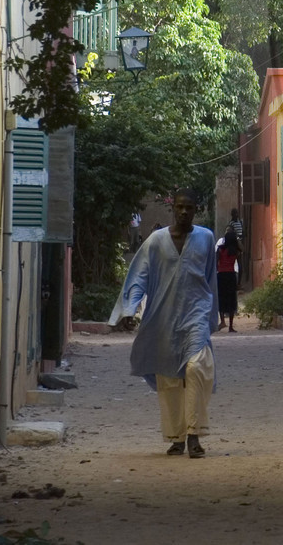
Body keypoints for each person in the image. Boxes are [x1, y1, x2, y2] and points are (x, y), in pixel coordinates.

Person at [109, 191, 218, 458]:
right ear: (173, 209)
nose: (183, 212)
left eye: (189, 208)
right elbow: (139, 275)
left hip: (195, 312)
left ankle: (194, 434)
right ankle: (176, 437)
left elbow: (210, 277)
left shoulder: (206, 238)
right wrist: (130, 307)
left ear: (196, 209)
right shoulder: (156, 241)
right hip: (163, 315)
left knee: (196, 368)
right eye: (179, 207)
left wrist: (211, 315)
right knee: (168, 376)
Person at [216, 230, 241, 332]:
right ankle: (231, 326)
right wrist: (239, 282)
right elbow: (241, 268)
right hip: (231, 276)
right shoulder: (236, 252)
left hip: (221, 276)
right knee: (231, 300)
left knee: (221, 298)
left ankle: (222, 321)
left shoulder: (220, 249)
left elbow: (215, 264)